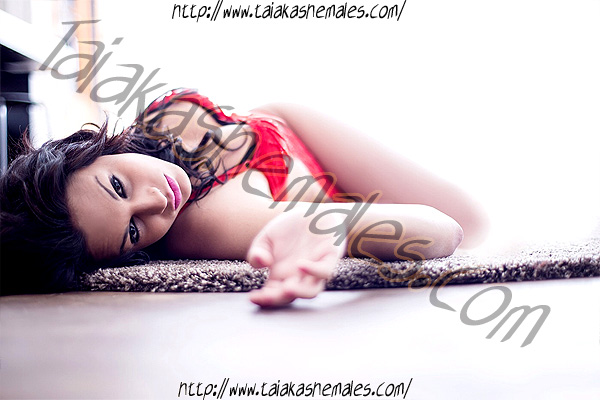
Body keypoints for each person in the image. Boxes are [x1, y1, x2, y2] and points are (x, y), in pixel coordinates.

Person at [0, 88, 488, 306]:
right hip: (329, 183)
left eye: (118, 188)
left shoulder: (152, 129)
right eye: (133, 230)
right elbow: (444, 231)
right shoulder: (205, 224)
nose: (156, 204)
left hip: (289, 124)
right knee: (479, 226)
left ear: (87, 151)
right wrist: (336, 225)